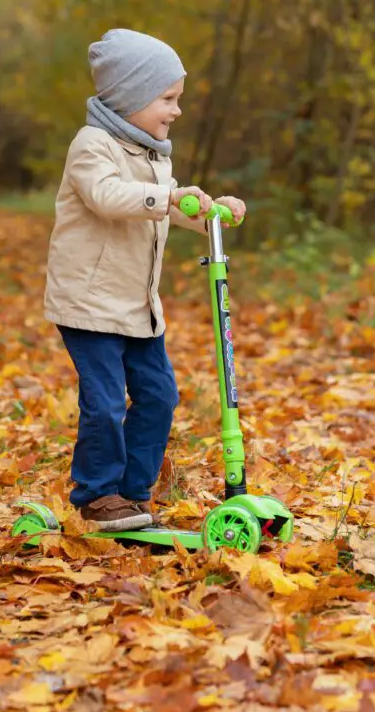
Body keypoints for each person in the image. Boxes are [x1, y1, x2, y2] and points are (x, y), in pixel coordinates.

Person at [44, 28, 246, 531]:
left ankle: (131, 494)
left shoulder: (155, 155)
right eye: (168, 98)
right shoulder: (92, 146)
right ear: (131, 96)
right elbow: (109, 197)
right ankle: (97, 494)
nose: (176, 110)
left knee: (159, 396)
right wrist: (168, 198)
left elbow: (172, 207)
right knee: (106, 402)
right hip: (90, 306)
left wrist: (212, 213)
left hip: (139, 309)